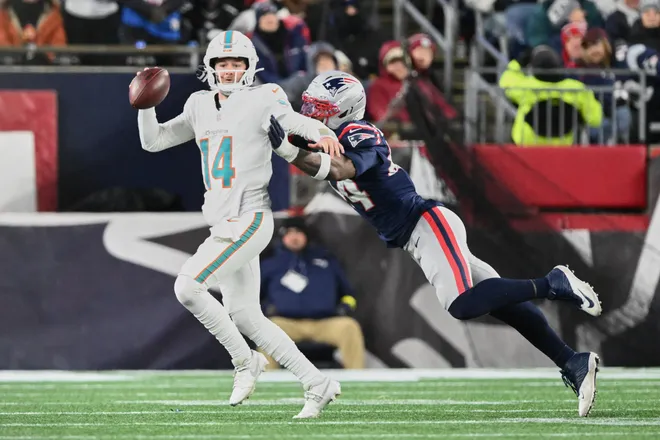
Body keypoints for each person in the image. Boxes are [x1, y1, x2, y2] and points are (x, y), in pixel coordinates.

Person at [266, 70, 602, 418]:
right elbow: (300, 143)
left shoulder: (359, 133)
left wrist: (287, 149)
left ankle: (552, 283)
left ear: (342, 111)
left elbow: (339, 169)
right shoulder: (326, 134)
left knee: (462, 304)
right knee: (502, 303)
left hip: (426, 223)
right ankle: (572, 361)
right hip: (417, 235)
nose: (311, 114)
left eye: (319, 108)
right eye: (309, 105)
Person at [134, 30, 343, 419]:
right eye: (223, 64)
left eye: (237, 64)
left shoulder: (264, 97)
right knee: (246, 314)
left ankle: (245, 361)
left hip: (250, 216)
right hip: (222, 221)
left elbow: (295, 120)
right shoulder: (198, 103)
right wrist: (145, 106)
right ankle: (318, 382)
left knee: (188, 286)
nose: (230, 71)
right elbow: (154, 141)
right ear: (211, 67)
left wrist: (323, 132)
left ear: (250, 67)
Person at [260, 217, 365, 369]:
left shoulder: (327, 261)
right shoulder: (270, 264)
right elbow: (254, 297)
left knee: (349, 327)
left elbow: (349, 294)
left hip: (324, 323)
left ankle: (359, 381)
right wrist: (266, 309)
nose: (294, 237)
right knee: (267, 329)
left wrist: (345, 307)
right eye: (289, 233)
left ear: (307, 236)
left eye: (298, 232)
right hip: (286, 323)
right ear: (282, 237)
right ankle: (265, 383)